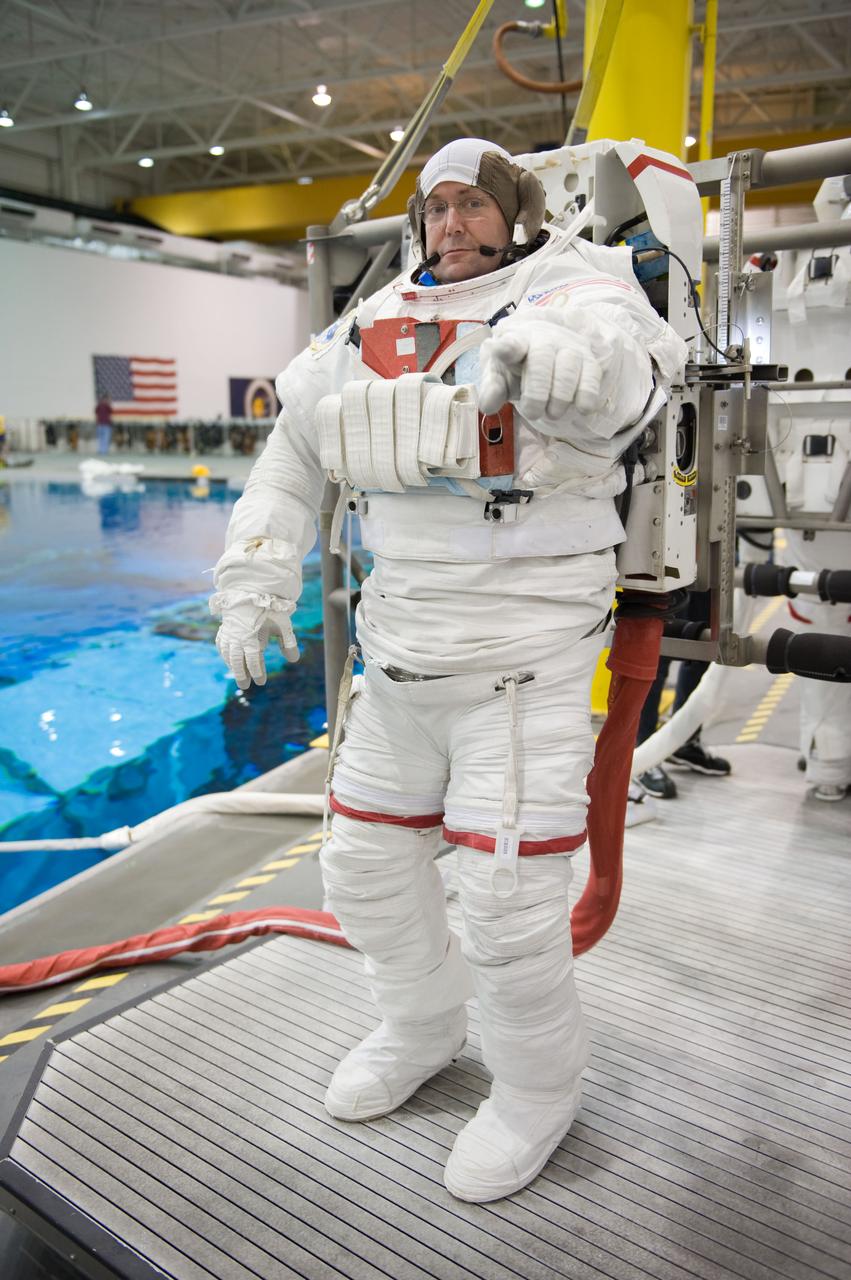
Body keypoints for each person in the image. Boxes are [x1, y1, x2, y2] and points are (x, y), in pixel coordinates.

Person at [210, 138, 687, 1202]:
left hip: (523, 663)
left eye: (472, 204)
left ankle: (533, 1088)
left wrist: (579, 367)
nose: (450, 225)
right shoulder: (364, 327)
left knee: (508, 902)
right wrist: (251, 580)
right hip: (400, 659)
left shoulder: (574, 290)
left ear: (511, 213)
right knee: (364, 875)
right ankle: (421, 1023)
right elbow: (288, 464)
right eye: (435, 209)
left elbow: (626, 373)